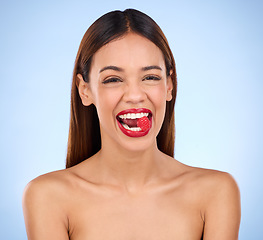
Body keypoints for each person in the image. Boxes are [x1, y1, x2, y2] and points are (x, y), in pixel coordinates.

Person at [22, 9, 241, 240]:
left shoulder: (217, 192)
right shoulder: (47, 197)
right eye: (113, 80)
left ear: (169, 85)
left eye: (150, 77)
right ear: (85, 91)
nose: (135, 95)